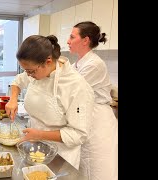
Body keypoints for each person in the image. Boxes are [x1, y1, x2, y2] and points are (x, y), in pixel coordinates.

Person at [5, 35, 94, 169]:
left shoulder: (76, 86)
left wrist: (40, 134)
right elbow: (18, 80)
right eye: (26, 71)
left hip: (60, 156)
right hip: (33, 144)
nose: (28, 75)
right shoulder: (37, 72)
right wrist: (13, 99)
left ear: (48, 61)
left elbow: (79, 134)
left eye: (31, 71)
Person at [67, 21, 118, 180]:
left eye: (72, 37)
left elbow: (71, 92)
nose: (68, 41)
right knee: (84, 168)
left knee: (98, 169)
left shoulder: (94, 64)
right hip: (85, 119)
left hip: (98, 122)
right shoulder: (78, 63)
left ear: (85, 40)